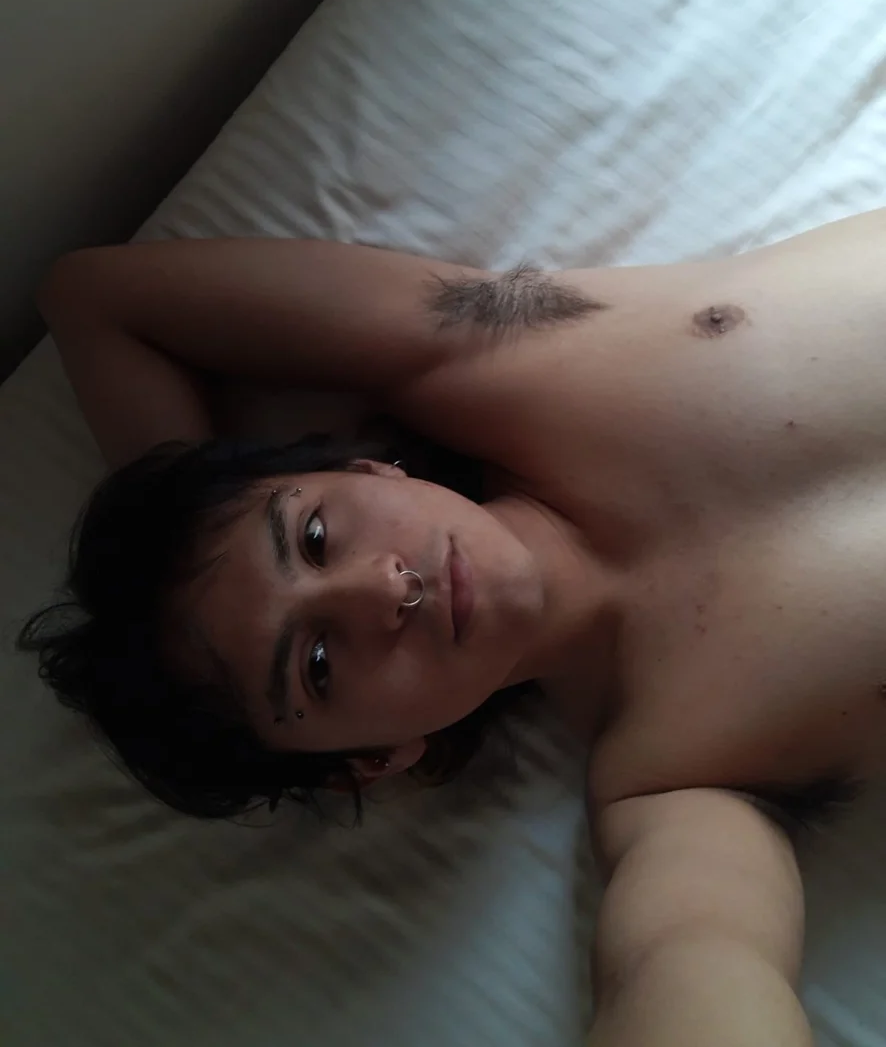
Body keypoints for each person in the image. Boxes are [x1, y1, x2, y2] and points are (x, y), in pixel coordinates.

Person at [25, 210, 886, 1047]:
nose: (382, 586)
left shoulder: (488, 351)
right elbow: (683, 967)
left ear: (364, 468)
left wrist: (194, 530)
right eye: (317, 663)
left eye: (316, 535)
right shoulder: (676, 782)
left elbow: (92, 297)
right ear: (376, 758)